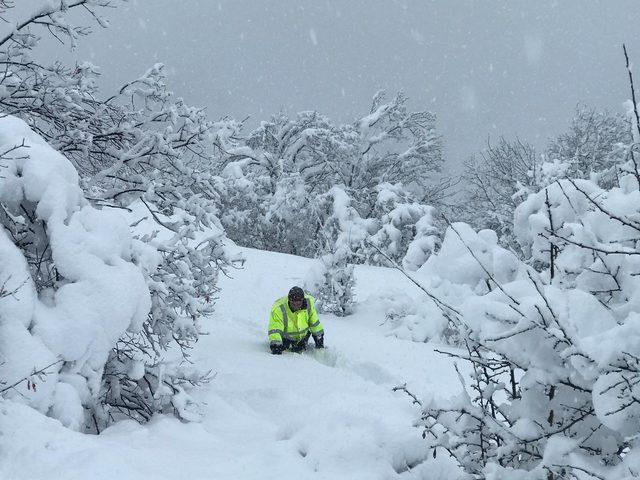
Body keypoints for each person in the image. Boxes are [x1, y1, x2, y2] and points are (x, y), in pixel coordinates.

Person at [268, 286, 324, 354]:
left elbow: (315, 324)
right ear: (289, 300)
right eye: (293, 303)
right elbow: (275, 329)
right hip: (285, 341)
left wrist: (319, 342)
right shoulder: (279, 309)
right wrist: (276, 345)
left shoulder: (308, 304)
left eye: (298, 304)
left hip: (303, 339)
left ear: (302, 300)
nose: (296, 306)